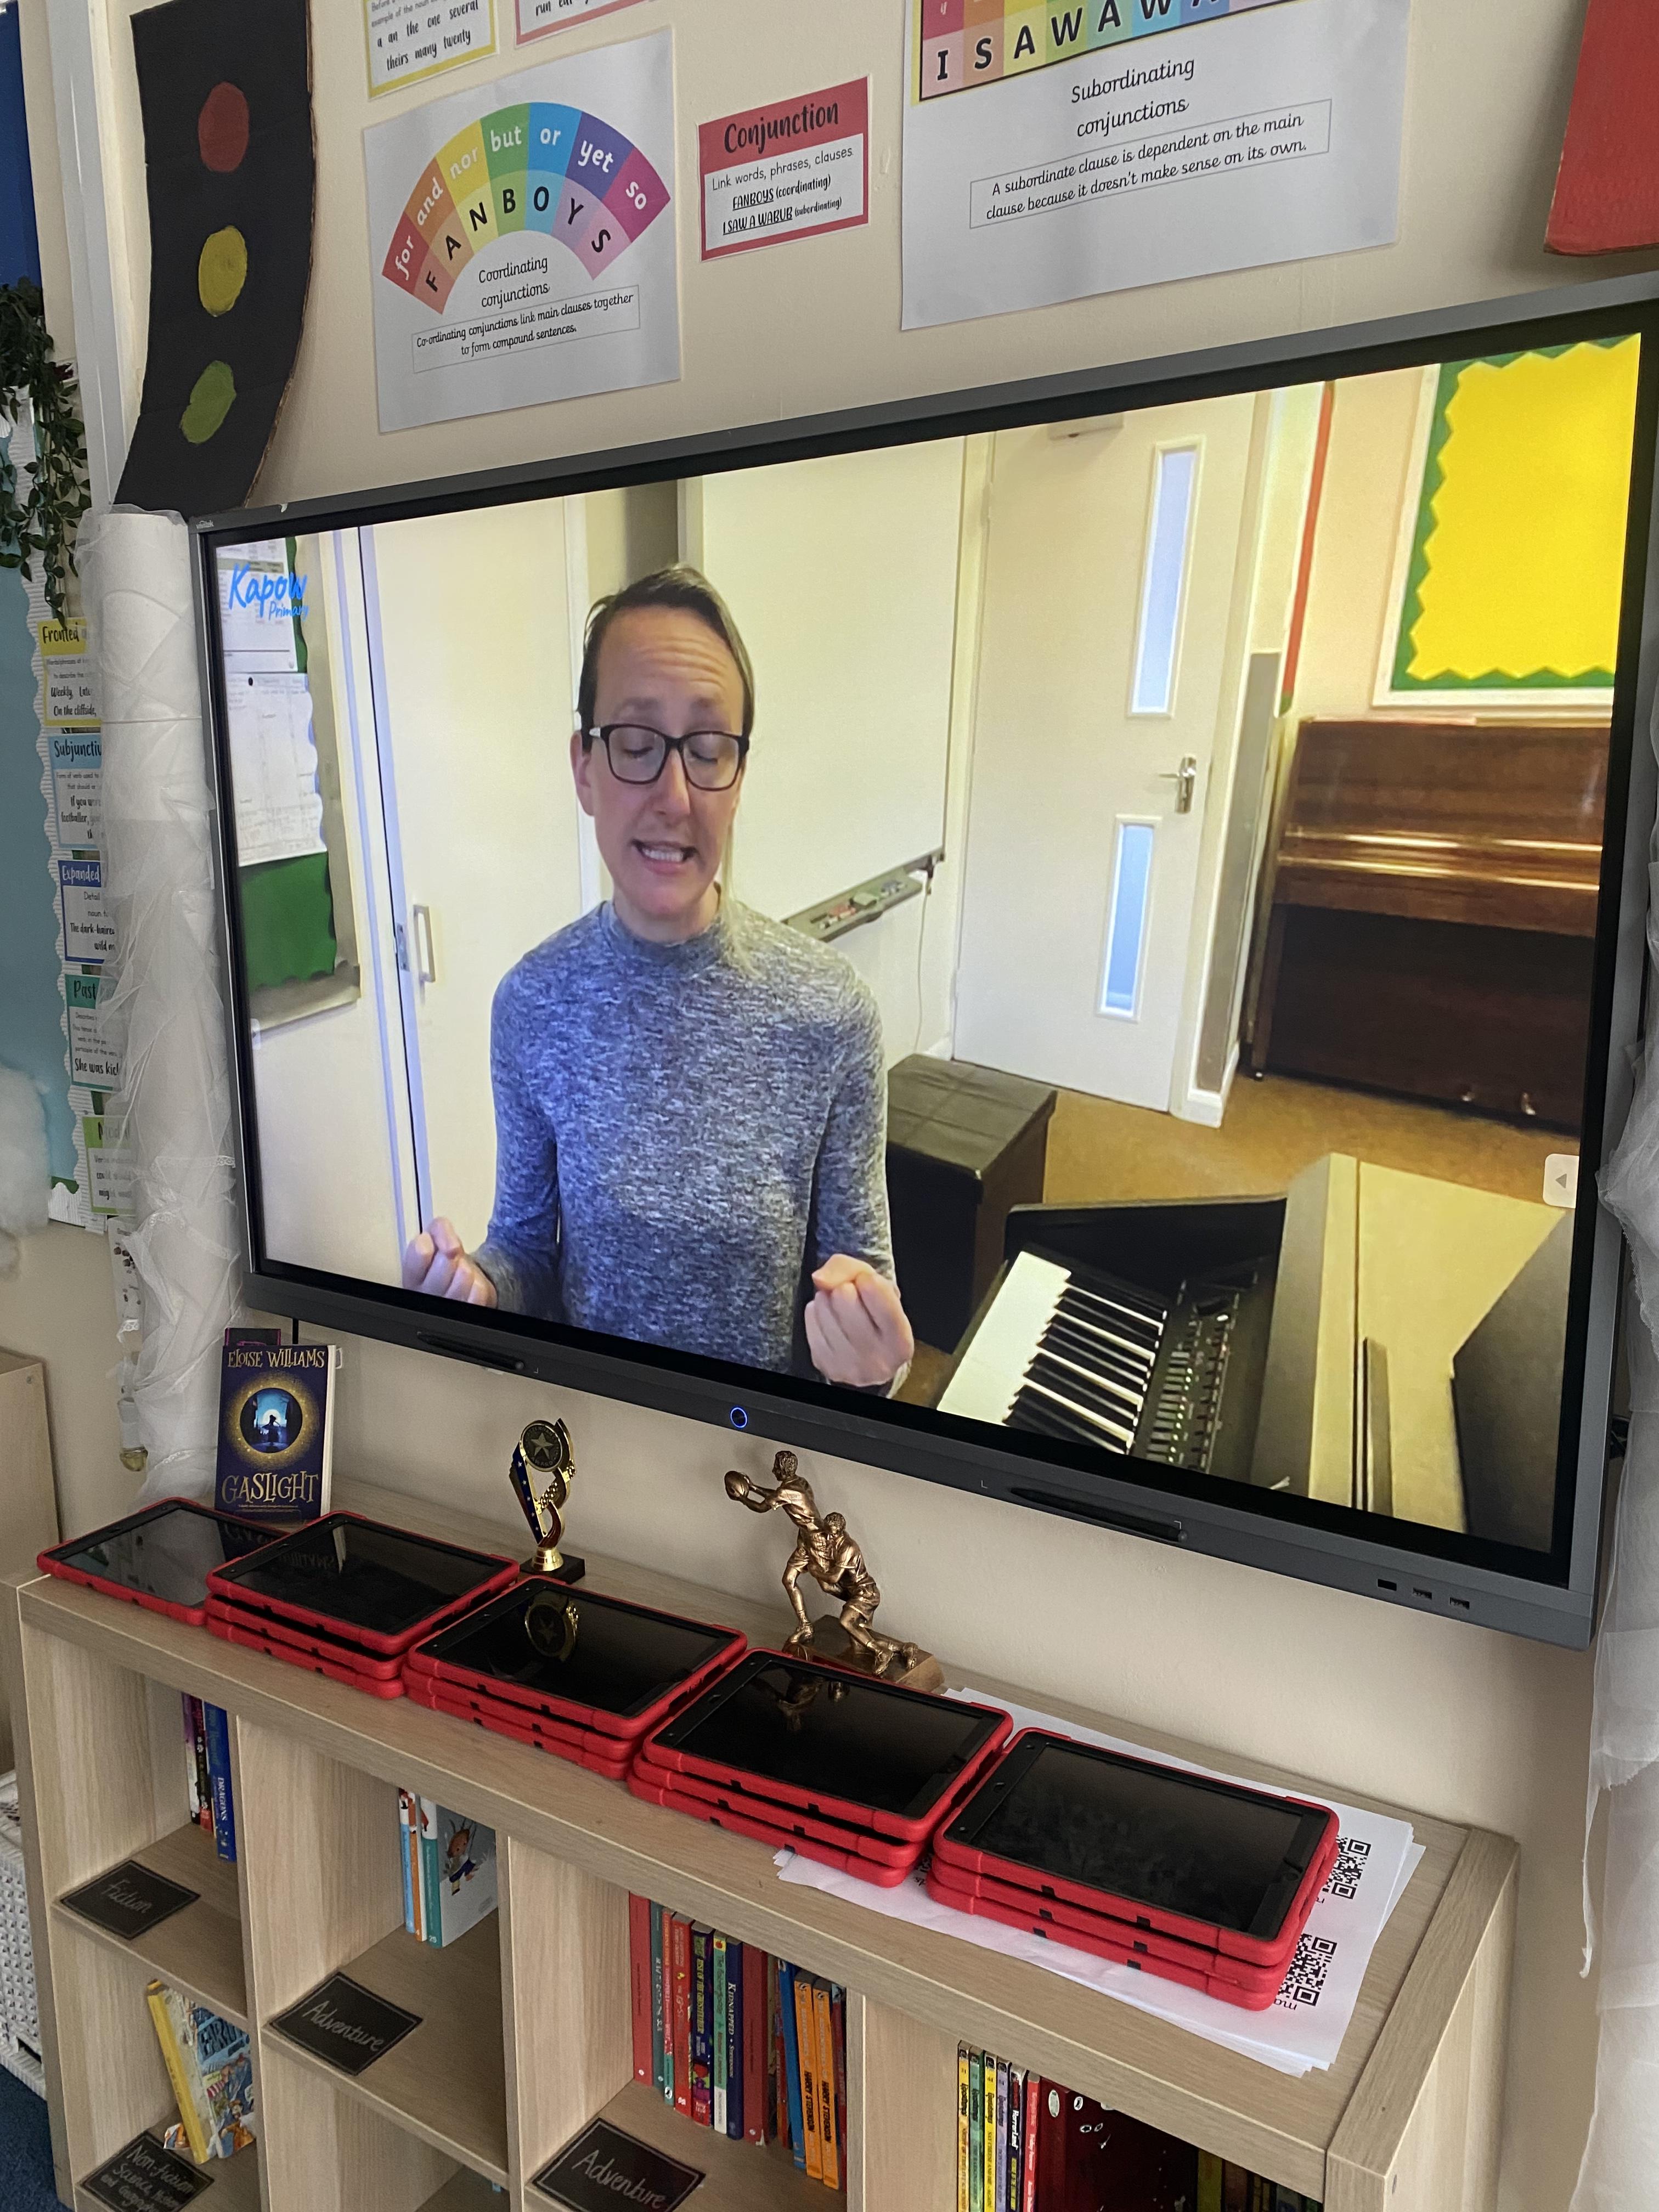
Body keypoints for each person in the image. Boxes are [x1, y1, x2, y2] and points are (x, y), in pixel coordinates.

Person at [401, 567, 913, 1391]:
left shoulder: (830, 1013)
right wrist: (480, 1291)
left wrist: (868, 1363)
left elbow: (859, 1286)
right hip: (590, 1434)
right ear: (585, 768)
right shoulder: (533, 1003)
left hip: (759, 1448)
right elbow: (526, 1249)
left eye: (708, 751)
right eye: (638, 747)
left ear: (738, 781)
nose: (675, 797)